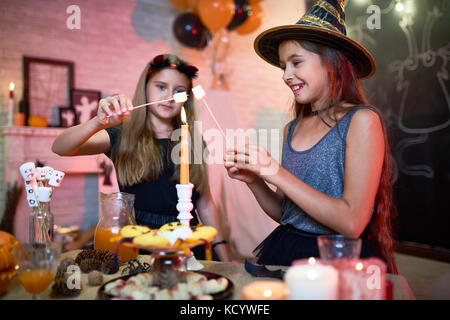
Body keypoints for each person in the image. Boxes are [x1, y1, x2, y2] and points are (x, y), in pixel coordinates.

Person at [224, 0, 398, 273]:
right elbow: (288, 214)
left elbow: (352, 222)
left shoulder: (362, 121)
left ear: (331, 62)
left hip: (337, 258)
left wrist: (274, 170)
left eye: (296, 62)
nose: (286, 75)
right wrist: (255, 180)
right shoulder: (292, 129)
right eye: (283, 66)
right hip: (288, 250)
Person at [52, 54, 228, 261]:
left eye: (179, 91)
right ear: (145, 88)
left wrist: (225, 256)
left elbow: (205, 203)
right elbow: (61, 147)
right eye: (161, 87)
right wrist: (98, 122)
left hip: (186, 242)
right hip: (138, 243)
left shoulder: (194, 141)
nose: (170, 96)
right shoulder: (122, 135)